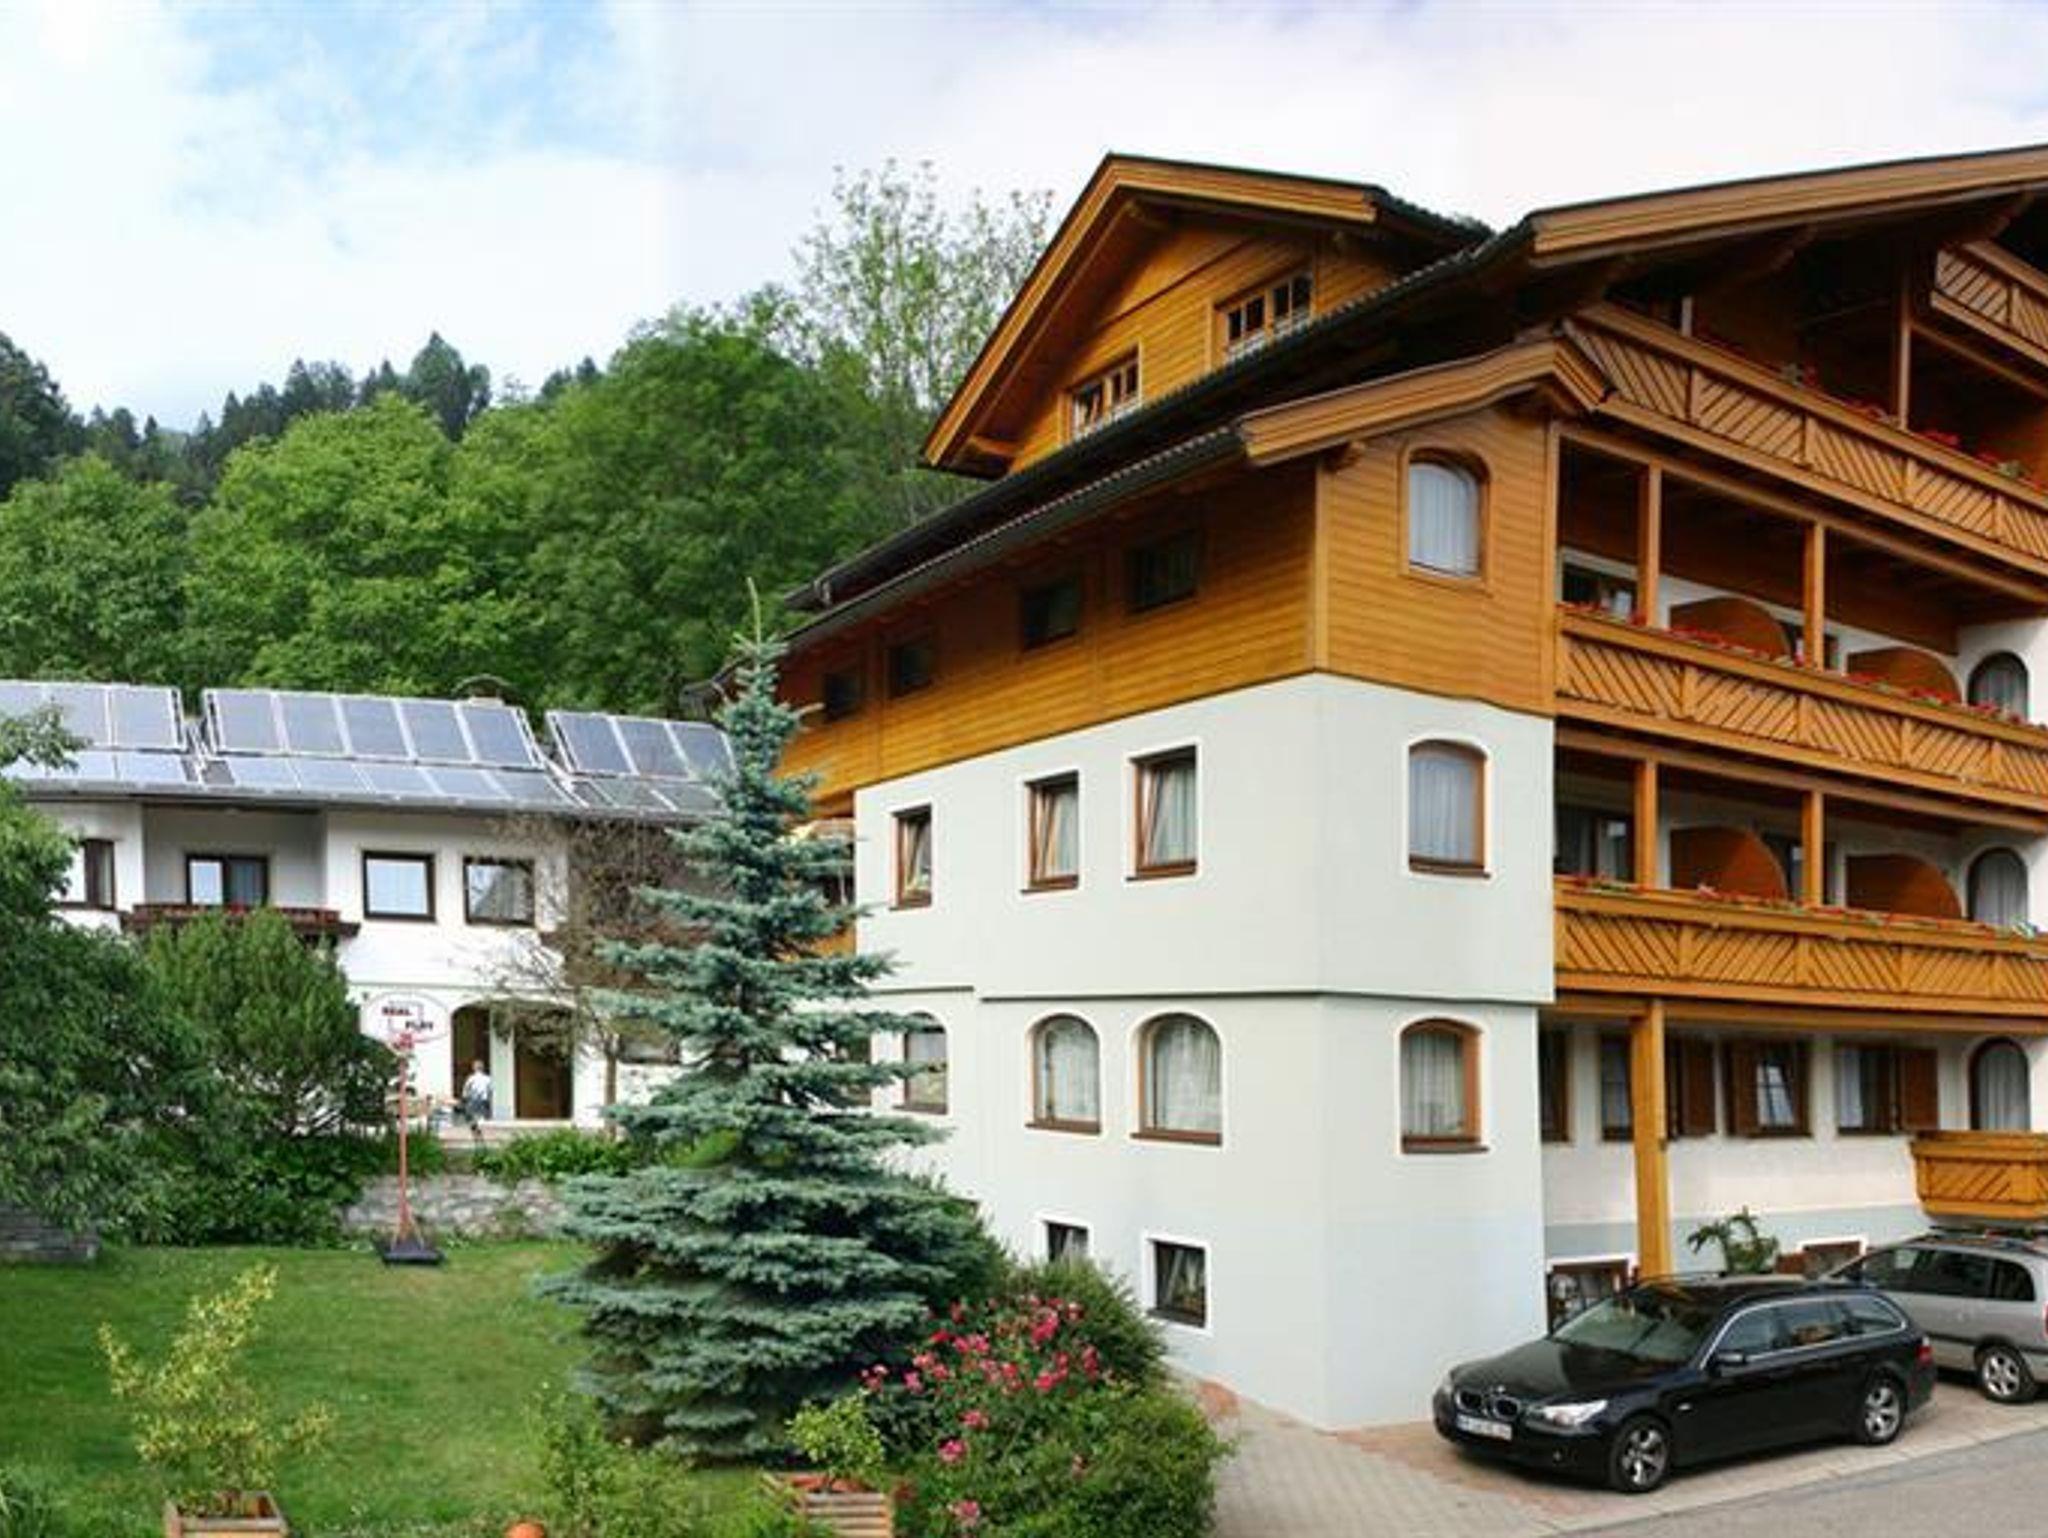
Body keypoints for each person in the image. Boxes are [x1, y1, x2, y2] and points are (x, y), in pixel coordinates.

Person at [459, 1059, 493, 1144]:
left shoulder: (471, 1078)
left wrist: (464, 1099)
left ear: (474, 1068)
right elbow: (490, 1091)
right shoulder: (487, 1078)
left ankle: (476, 1133)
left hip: (473, 1100)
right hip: (484, 1100)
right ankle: (483, 1136)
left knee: (471, 1117)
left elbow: (465, 1090)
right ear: (483, 1068)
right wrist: (488, 1099)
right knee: (482, 1117)